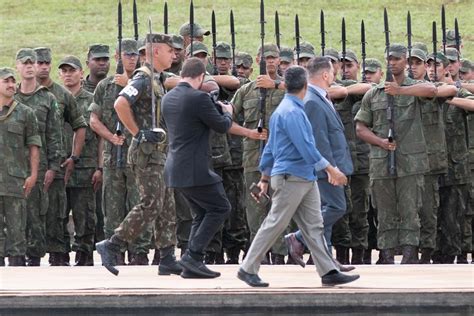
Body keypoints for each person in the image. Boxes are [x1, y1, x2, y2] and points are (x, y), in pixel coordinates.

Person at [237, 65, 359, 287]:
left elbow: (270, 148)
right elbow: (307, 147)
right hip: (291, 177)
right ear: (305, 85)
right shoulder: (292, 112)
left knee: (314, 226)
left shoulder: (284, 110)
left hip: (303, 176)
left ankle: (328, 271)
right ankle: (247, 267)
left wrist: (264, 178)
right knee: (276, 222)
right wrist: (331, 169)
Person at [96, 33, 180, 276]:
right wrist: (138, 133)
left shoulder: (158, 78)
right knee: (151, 203)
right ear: (155, 52)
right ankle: (113, 245)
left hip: (159, 152)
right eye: (168, 50)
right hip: (146, 153)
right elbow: (120, 103)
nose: (173, 55)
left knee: (166, 205)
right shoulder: (143, 78)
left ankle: (166, 256)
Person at [354, 44, 436, 264]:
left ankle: (410, 257)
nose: (393, 62)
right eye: (389, 58)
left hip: (411, 161)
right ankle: (387, 256)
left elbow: (432, 91)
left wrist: (400, 91)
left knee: (411, 210)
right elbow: (360, 128)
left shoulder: (415, 88)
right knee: (384, 212)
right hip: (381, 162)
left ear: (406, 61)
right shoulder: (374, 94)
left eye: (398, 59)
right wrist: (380, 141)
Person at [162, 57, 233, 278]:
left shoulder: (168, 98)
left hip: (175, 168)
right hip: (195, 168)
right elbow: (222, 126)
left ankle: (192, 263)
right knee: (220, 208)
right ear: (201, 77)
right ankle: (192, 256)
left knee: (201, 213)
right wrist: (227, 111)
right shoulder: (199, 98)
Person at [89, 39, 151, 266]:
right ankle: (114, 251)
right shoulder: (105, 86)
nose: (132, 58)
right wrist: (110, 137)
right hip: (113, 157)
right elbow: (93, 119)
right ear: (118, 56)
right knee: (112, 207)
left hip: (137, 156)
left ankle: (140, 251)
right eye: (127, 54)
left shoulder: (144, 83)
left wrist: (129, 84)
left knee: (138, 203)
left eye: (135, 55)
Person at [289, 57, 353, 260]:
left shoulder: (318, 98)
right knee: (336, 207)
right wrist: (330, 168)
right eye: (333, 73)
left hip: (328, 167)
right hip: (326, 169)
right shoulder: (314, 102)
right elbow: (319, 140)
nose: (334, 77)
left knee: (325, 210)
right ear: (325, 75)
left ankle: (327, 263)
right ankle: (298, 238)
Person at [34, 47, 87, 266]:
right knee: (31, 216)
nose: (43, 66)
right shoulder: (17, 94)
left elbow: (80, 125)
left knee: (57, 214)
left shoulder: (61, 94)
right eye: (39, 63)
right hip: (27, 167)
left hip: (55, 165)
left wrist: (74, 157)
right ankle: (29, 259)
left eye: (47, 63)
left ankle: (59, 258)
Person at [14, 48, 62, 266]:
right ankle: (14, 255)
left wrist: (53, 166)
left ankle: (34, 258)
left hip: (40, 166)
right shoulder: (8, 95)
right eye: (25, 63)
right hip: (12, 166)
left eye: (32, 62)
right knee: (13, 214)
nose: (30, 66)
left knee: (37, 214)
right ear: (17, 67)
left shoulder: (47, 98)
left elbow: (54, 135)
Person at [58, 55, 102, 266]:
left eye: (72, 70)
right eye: (64, 71)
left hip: (85, 167)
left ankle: (84, 256)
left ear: (80, 74)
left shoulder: (92, 100)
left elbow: (101, 136)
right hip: (59, 166)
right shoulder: (54, 99)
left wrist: (100, 167)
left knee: (85, 216)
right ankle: (60, 255)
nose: (68, 74)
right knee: (58, 214)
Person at [0, 67, 41, 267]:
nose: (10, 85)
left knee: (17, 232)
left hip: (15, 181)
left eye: (12, 81)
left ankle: (18, 272)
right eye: (5, 81)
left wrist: (33, 174)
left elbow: (34, 146)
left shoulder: (25, 113)